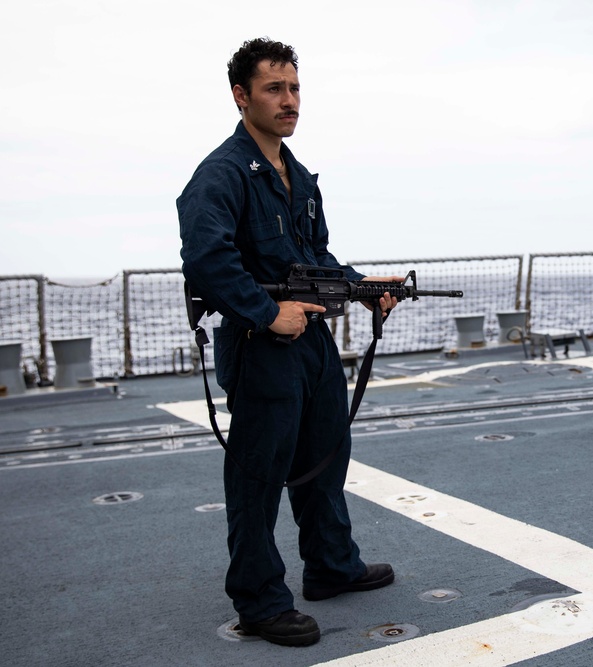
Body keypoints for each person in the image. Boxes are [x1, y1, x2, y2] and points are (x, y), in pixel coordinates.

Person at [178, 37, 398, 647]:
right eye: (274, 89)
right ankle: (259, 600)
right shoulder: (221, 174)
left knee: (326, 456)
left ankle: (330, 566)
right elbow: (204, 257)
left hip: (312, 342)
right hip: (262, 346)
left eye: (295, 88)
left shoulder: (297, 175)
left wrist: (362, 287)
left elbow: (314, 258)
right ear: (241, 96)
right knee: (258, 476)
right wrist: (264, 312)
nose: (289, 100)